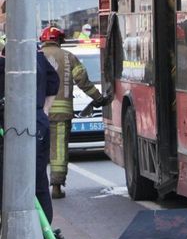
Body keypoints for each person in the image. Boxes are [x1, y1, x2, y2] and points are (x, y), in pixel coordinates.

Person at [40, 26, 108, 199]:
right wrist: (99, 98)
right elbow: (83, 81)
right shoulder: (68, 57)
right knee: (59, 150)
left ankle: (34, 189)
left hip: (37, 114)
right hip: (61, 115)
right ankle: (56, 186)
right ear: (60, 40)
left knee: (36, 149)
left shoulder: (34, 57)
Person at [0, 44, 59, 223]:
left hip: (15, 126)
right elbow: (54, 82)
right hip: (37, 122)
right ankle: (43, 231)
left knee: (11, 179)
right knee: (38, 179)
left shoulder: (6, 63)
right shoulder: (38, 57)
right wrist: (44, 110)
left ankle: (19, 227)